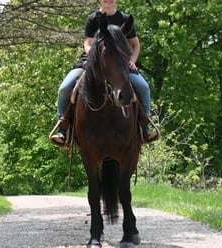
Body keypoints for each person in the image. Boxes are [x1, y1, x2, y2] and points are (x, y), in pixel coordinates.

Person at [51, 0, 158, 145]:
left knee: (144, 87)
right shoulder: (93, 19)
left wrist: (132, 60)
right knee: (65, 88)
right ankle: (62, 130)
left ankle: (146, 127)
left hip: (119, 65)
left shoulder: (125, 19)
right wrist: (94, 56)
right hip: (92, 61)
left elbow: (135, 44)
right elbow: (87, 44)